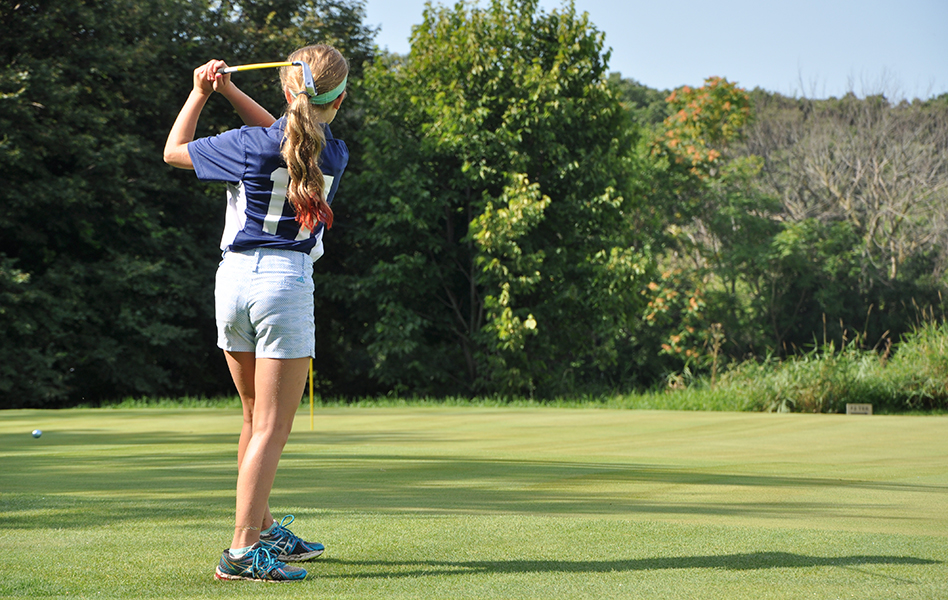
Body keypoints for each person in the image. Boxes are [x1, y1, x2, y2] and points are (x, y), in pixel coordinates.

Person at [163, 44, 349, 582]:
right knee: (271, 426)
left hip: (232, 282)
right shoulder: (332, 153)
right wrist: (230, 93)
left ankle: (263, 530)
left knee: (252, 419)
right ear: (336, 101)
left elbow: (174, 150)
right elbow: (289, 133)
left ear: (288, 89)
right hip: (282, 286)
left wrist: (203, 94)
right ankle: (242, 552)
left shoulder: (248, 145)